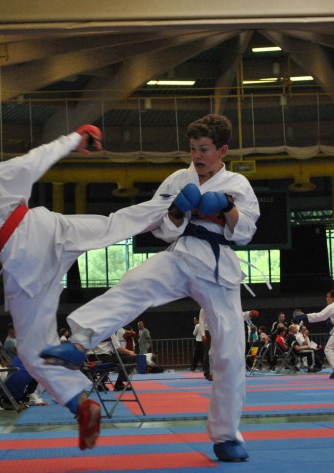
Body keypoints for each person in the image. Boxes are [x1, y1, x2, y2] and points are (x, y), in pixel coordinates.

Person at [0, 125, 175, 450]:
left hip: (24, 257)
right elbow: (38, 157)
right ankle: (171, 204)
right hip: (47, 225)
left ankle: (80, 404)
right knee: (111, 224)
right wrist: (76, 138)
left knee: (31, 351)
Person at [43, 114, 260, 462]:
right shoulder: (178, 179)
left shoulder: (237, 184)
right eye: (193, 148)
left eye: (204, 149)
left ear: (222, 151)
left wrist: (228, 206)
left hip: (218, 268)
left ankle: (226, 436)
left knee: (230, 353)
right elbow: (163, 228)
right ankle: (79, 342)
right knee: (135, 282)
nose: (197, 155)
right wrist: (177, 211)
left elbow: (245, 233)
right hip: (181, 256)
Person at [295, 289, 334, 379]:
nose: (326, 298)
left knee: (328, 349)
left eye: (327, 296)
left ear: (332, 298)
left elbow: (320, 316)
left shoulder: (331, 306)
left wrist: (305, 316)